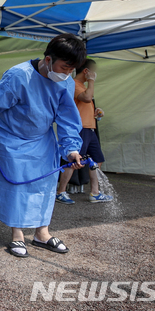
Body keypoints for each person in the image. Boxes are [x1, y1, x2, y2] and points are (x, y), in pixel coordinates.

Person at [0, 33, 85, 258]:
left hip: (42, 141)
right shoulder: (18, 76)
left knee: (44, 185)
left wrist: (71, 148)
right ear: (49, 59)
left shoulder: (66, 82)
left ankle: (42, 233)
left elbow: (67, 118)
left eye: (71, 70)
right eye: (64, 67)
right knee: (17, 186)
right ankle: (17, 235)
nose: (66, 74)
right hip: (11, 139)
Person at [56, 59, 113, 204]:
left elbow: (84, 105)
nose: (95, 74)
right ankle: (60, 192)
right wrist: (92, 81)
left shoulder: (82, 86)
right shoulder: (74, 84)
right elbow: (86, 98)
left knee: (97, 159)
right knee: (73, 160)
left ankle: (95, 193)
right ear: (86, 71)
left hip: (90, 129)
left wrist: (96, 112)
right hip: (79, 129)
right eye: (93, 71)